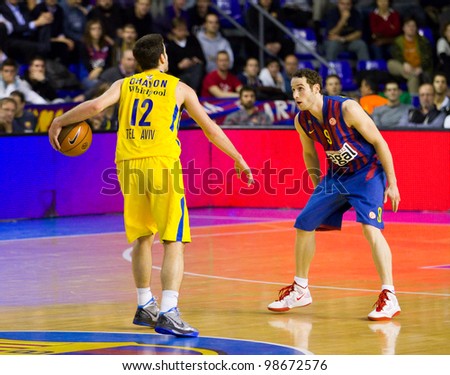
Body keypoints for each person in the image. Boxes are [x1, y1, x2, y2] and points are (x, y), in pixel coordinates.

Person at [48, 33, 253, 338]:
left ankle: (145, 303)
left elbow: (94, 107)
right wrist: (237, 157)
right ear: (162, 58)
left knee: (142, 237)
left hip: (128, 166)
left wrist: (58, 121)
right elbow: (210, 129)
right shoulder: (179, 88)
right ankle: (169, 310)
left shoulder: (123, 84)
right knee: (174, 239)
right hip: (161, 165)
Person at [267, 68, 402, 322]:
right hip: (336, 177)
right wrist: (320, 186)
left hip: (367, 172)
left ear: (316, 89)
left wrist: (392, 182)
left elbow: (380, 142)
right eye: (293, 89)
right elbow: (309, 154)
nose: (295, 94)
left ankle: (389, 295)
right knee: (304, 223)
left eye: (300, 89)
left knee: (370, 228)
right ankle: (300, 289)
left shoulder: (347, 109)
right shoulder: (302, 120)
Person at [387, 16, 434, 95]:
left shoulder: (423, 41)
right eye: (408, 26)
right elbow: (396, 55)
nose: (411, 28)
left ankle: (414, 101)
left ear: (416, 28)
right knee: (390, 63)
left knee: (413, 78)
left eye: (413, 26)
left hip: (418, 69)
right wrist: (404, 63)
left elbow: (428, 57)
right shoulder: (398, 41)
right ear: (403, 28)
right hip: (403, 68)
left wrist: (421, 68)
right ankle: (411, 75)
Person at [165, 17, 205, 95]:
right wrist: (180, 66)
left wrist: (193, 60)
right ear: (174, 30)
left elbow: (202, 58)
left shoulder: (192, 40)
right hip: (179, 75)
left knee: (198, 68)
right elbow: (168, 67)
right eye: (179, 30)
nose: (182, 32)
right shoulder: (170, 46)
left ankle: (193, 92)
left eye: (184, 30)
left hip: (194, 72)